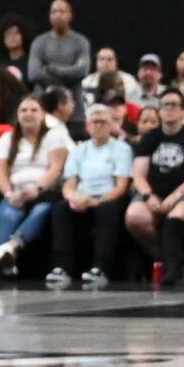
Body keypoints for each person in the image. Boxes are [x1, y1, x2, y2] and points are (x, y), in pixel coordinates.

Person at [50, 103, 133, 289]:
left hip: (108, 196)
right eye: (95, 122)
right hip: (82, 196)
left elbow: (121, 186)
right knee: (60, 209)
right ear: (87, 126)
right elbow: (69, 184)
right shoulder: (78, 151)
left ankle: (100, 267)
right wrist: (72, 198)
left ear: (112, 126)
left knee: (107, 210)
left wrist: (96, 201)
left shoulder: (121, 149)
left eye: (104, 122)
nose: (99, 126)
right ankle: (61, 267)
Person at [0, 94, 72, 275]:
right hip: (16, 191)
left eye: (34, 110)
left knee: (40, 211)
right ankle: (8, 264)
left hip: (45, 191)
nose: (29, 114)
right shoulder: (7, 139)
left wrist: (37, 189)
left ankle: (9, 247)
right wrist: (9, 194)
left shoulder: (54, 136)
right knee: (8, 214)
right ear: (17, 115)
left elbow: (56, 168)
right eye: (24, 110)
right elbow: (0, 172)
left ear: (42, 114)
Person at [126, 88, 184, 284]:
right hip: (156, 192)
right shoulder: (150, 138)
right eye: (165, 105)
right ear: (159, 110)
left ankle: (173, 267)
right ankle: (169, 259)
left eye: (174, 105)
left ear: (183, 111)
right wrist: (147, 196)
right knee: (134, 216)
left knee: (175, 216)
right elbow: (139, 174)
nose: (169, 109)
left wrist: (175, 197)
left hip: (181, 193)